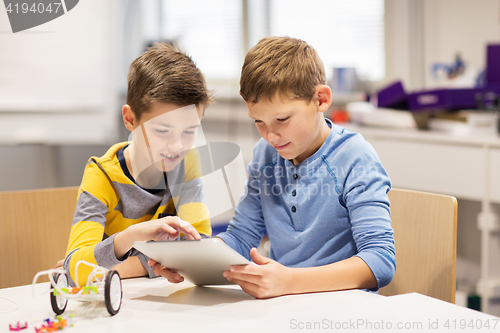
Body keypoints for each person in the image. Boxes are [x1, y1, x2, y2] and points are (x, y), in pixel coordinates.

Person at [150, 36, 395, 299]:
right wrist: (192, 259)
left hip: (343, 309)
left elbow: (380, 261)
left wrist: (289, 281)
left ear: (321, 100)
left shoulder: (355, 158)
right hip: (283, 306)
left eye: (282, 119)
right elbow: (242, 237)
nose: (270, 135)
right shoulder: (265, 154)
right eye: (259, 121)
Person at [61, 43, 212, 287]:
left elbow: (199, 248)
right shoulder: (101, 176)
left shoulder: (189, 161)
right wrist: (133, 237)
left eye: (189, 131)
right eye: (162, 131)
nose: (176, 146)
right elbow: (75, 271)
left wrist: (116, 268)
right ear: (130, 119)